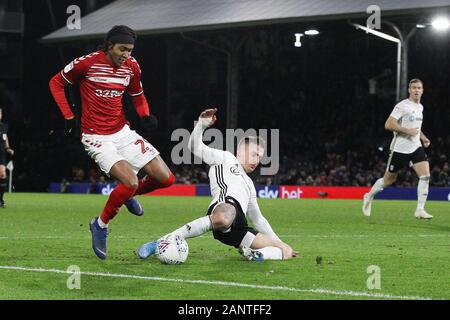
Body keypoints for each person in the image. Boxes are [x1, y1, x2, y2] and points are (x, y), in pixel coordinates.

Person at [49, 25, 175, 260]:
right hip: (96, 136)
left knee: (166, 178)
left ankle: (126, 195)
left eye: (130, 50)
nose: (126, 54)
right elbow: (56, 83)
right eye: (122, 49)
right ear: (109, 45)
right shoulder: (86, 63)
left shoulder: (132, 66)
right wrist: (68, 115)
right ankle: (100, 224)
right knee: (129, 181)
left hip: (122, 132)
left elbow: (138, 96)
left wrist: (145, 115)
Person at [138, 108, 298, 261]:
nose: (257, 160)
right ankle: (160, 242)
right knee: (225, 216)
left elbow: (258, 219)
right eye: (255, 154)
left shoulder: (249, 184)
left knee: (281, 250)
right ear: (240, 151)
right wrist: (201, 125)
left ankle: (257, 256)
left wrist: (281, 243)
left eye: (260, 157)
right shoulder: (225, 158)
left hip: (239, 228)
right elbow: (194, 147)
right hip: (225, 207)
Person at [363, 79, 432, 219]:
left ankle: (420, 209)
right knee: (388, 180)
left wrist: (423, 137)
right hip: (400, 148)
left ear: (423, 90)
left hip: (415, 147)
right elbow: (388, 124)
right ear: (409, 89)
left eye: (419, 88)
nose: (417, 90)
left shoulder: (420, 107)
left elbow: (416, 129)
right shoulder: (402, 106)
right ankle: (369, 196)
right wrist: (407, 131)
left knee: (425, 176)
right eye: (414, 88)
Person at [0, 108, 14, 208]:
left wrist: (8, 148)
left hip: (1, 154)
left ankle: (1, 200)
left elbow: (5, 137)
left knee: (3, 175)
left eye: (0, 113)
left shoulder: (4, 126)